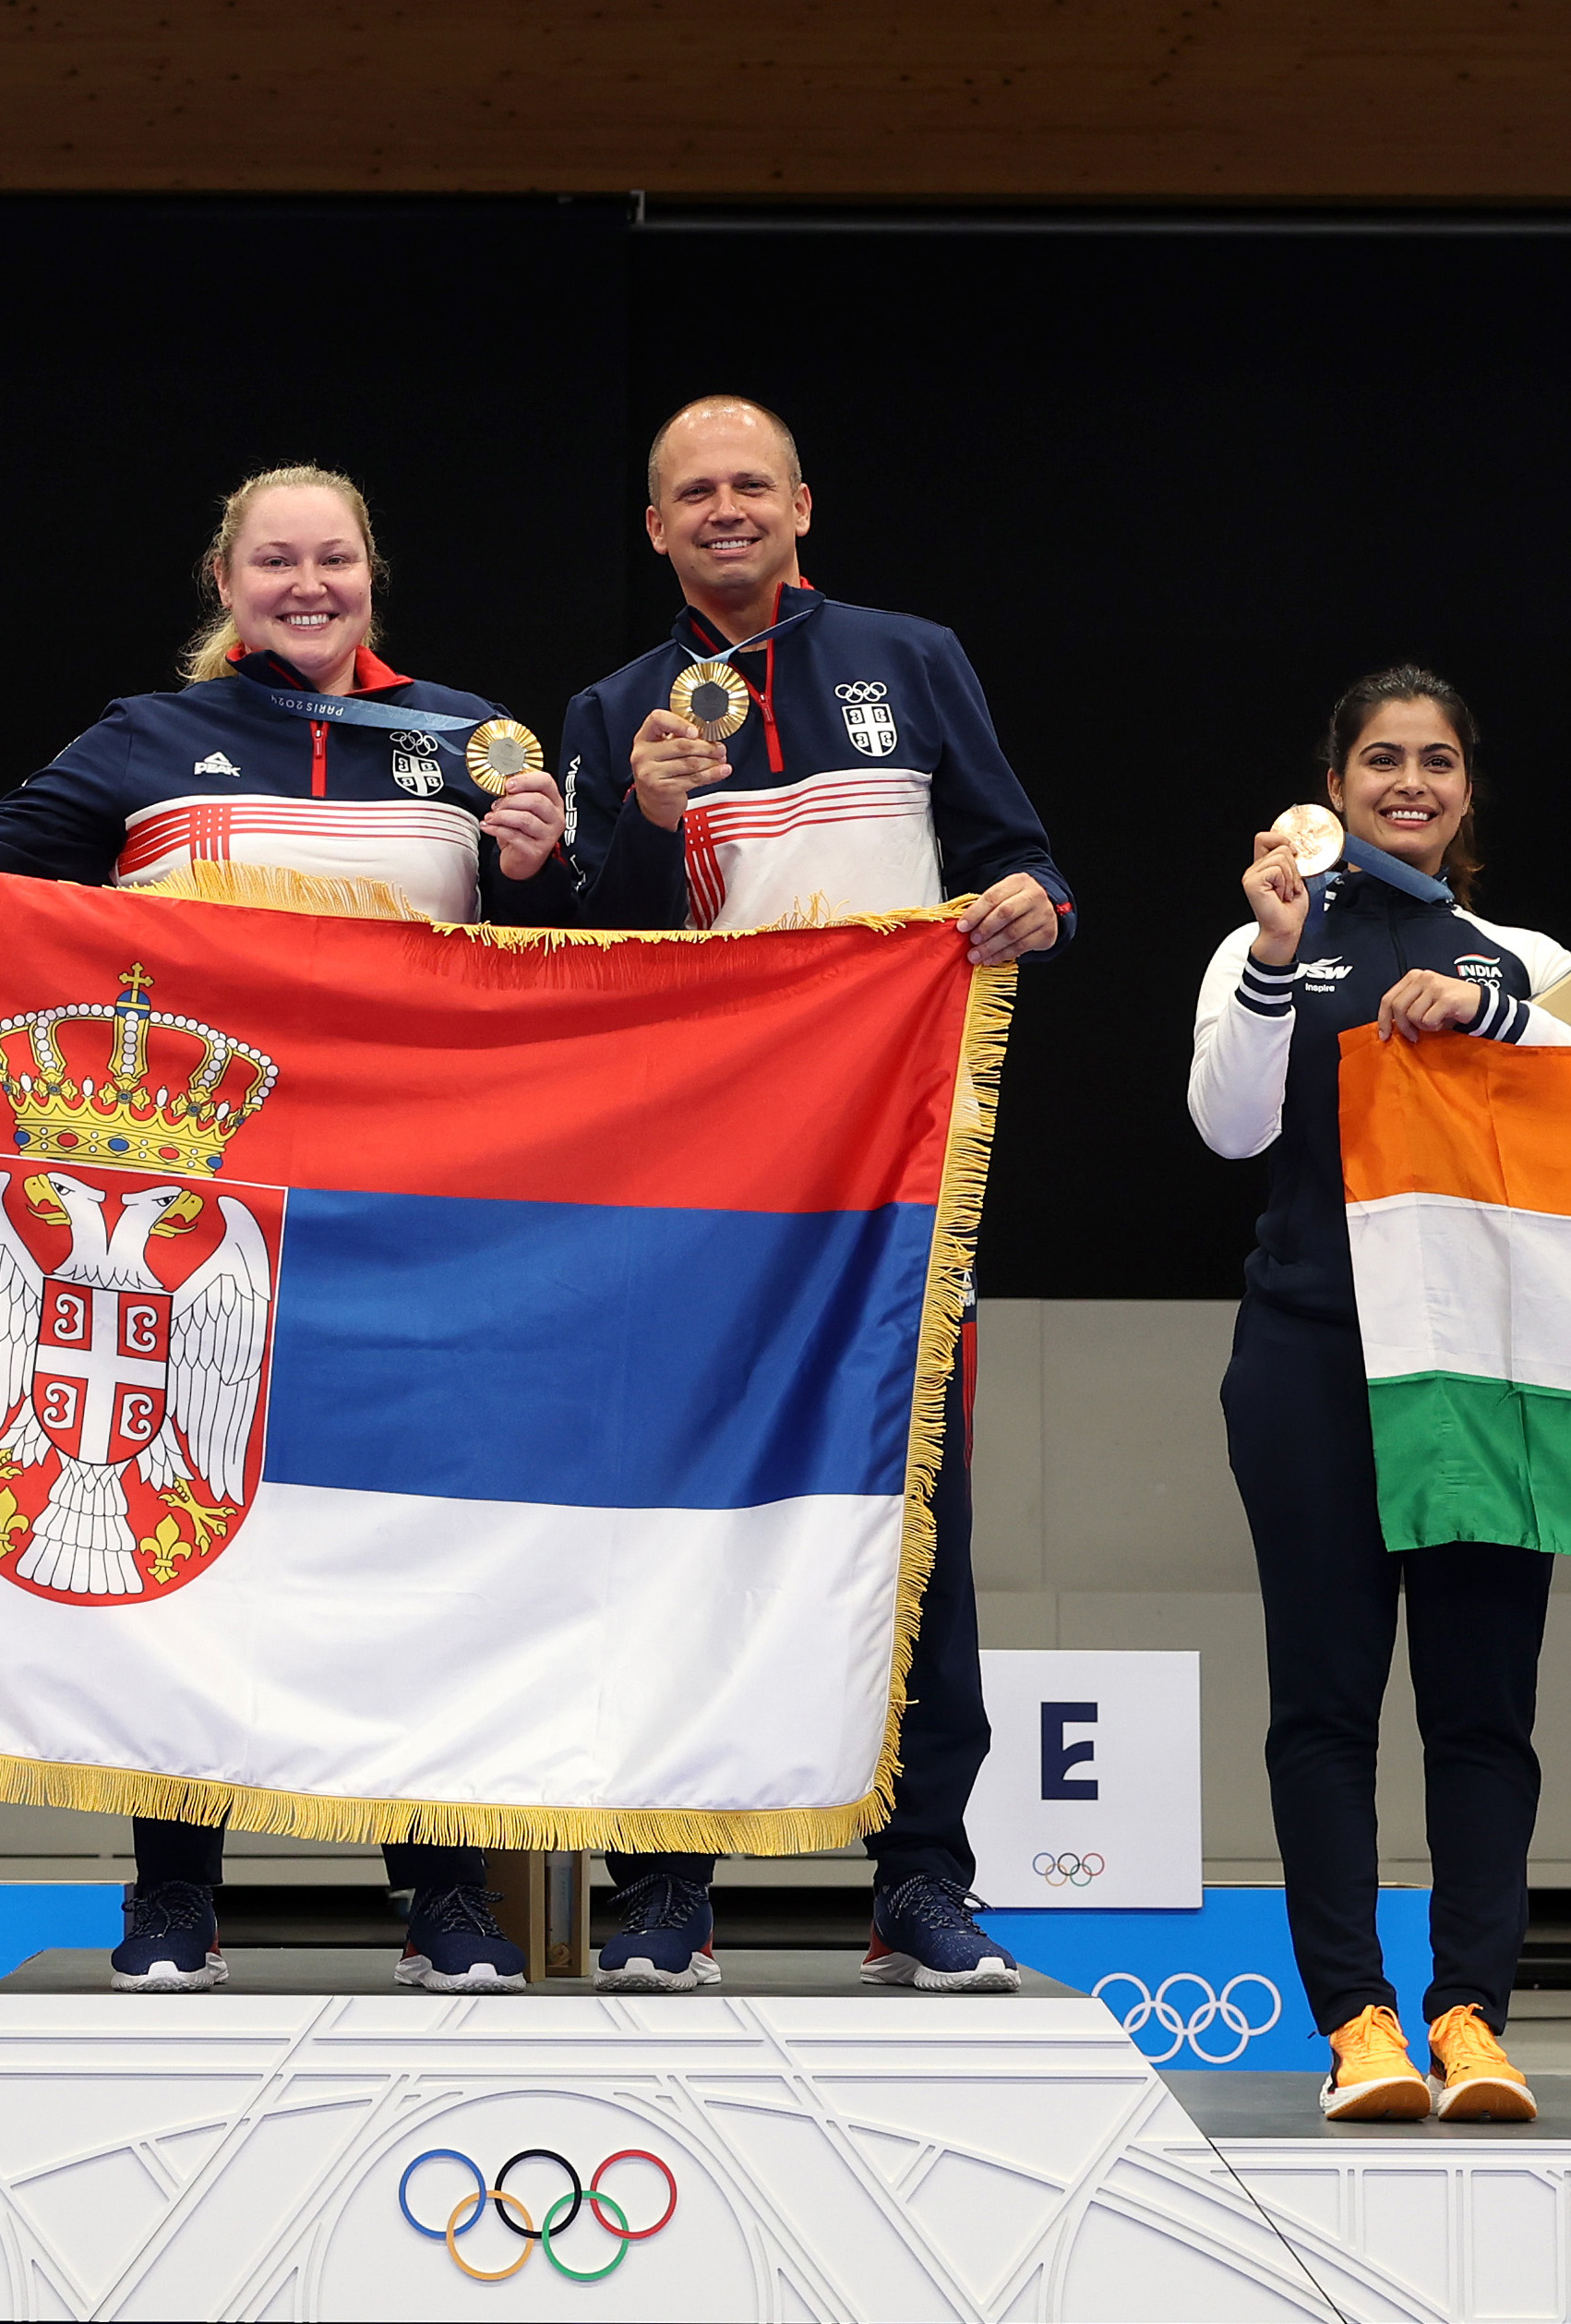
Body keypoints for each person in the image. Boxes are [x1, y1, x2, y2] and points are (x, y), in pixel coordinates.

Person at [0, 467, 567, 1995]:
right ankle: (172, 1896)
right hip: (202, 1221)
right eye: (274, 558)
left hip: (412, 1224)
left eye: (333, 557)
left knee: (413, 1557)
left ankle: (443, 1894)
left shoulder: (472, 742)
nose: (307, 582)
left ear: (373, 572)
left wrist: (556, 858)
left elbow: (578, 964)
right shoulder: (148, 741)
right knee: (186, 1544)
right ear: (225, 576)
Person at [558, 394, 1070, 1996]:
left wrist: (1028, 906)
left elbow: (1030, 860)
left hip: (890, 1182)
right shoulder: (612, 709)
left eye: (749, 485)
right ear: (655, 528)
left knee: (924, 1526)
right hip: (693, 1198)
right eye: (691, 492)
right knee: (679, 1530)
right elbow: (591, 958)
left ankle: (921, 1878)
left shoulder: (911, 659)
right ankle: (662, 1886)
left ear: (800, 507)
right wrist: (646, 819)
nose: (723, 509)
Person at [1191, 666, 1571, 2122]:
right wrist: (1269, 950)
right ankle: (1357, 2019)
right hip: (1310, 1357)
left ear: (1468, 788)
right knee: (1324, 1700)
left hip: (1488, 1367)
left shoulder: (1525, 954)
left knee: (1484, 1707)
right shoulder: (1273, 936)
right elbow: (1225, 1122)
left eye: (1437, 759)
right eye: (1382, 759)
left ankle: (1473, 2013)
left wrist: (1501, 1008)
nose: (1410, 783)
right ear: (1336, 779)